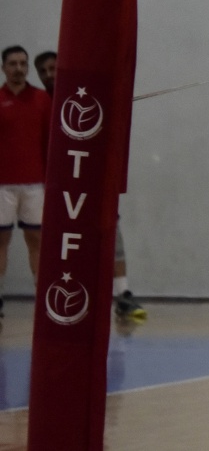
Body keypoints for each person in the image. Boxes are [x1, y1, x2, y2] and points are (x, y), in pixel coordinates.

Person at [39, 46, 148, 320]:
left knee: (110, 231)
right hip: (59, 186)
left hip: (92, 179)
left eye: (53, 69)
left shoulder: (86, 100)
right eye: (43, 71)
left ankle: (123, 294)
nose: (49, 75)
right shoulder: (41, 103)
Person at [0, 44, 50, 316]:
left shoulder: (42, 99)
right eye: (13, 64)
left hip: (35, 184)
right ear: (3, 68)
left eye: (23, 63)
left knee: (36, 240)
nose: (18, 69)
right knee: (1, 240)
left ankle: (42, 299)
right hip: (2, 186)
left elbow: (51, 142)